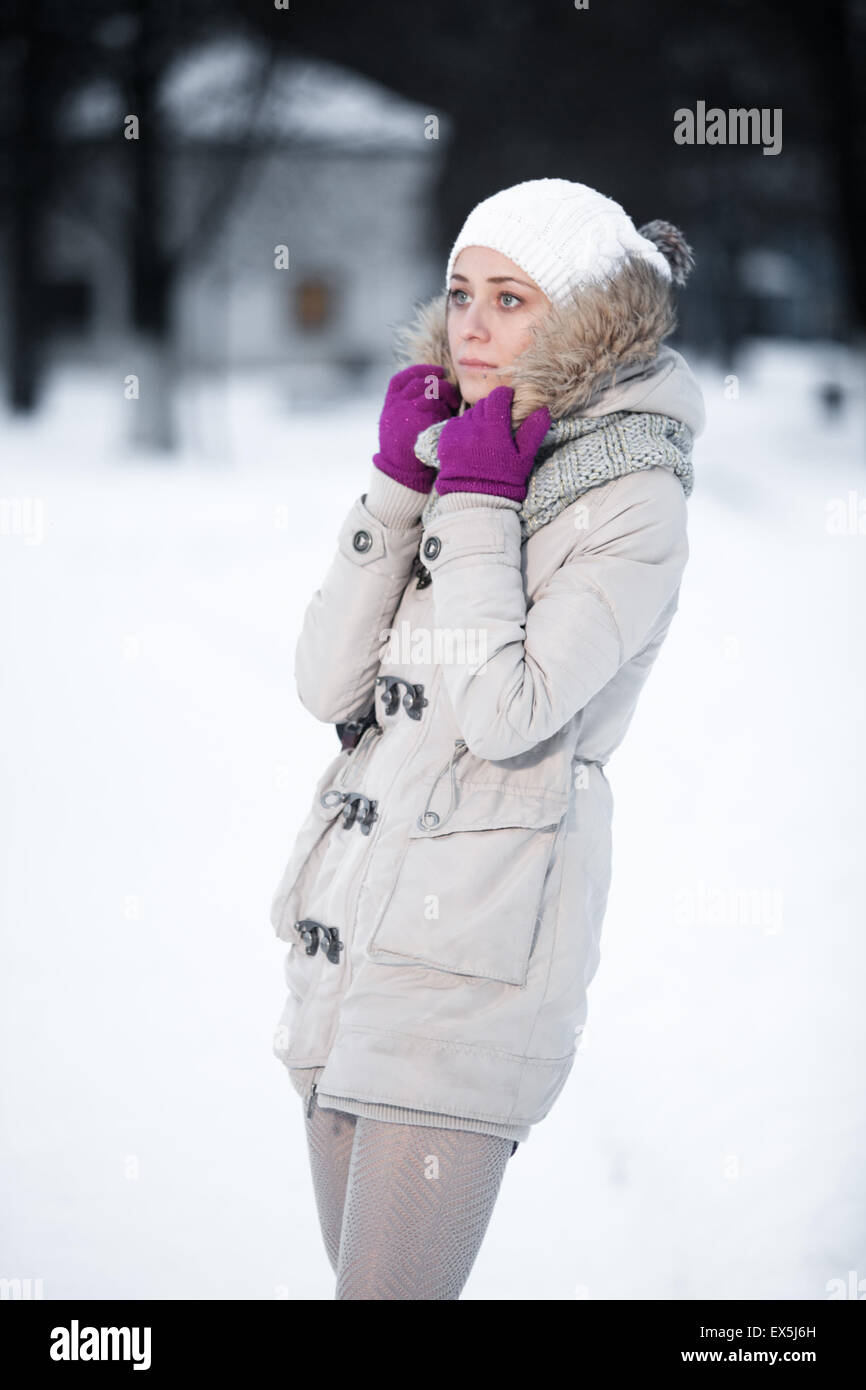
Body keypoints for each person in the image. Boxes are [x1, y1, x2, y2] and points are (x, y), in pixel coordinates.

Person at [269, 177, 706, 1299]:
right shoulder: (467, 443)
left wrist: (469, 499)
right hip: (354, 944)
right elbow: (327, 682)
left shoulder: (629, 491)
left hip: (474, 958)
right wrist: (397, 483)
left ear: (581, 315)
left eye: (511, 298)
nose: (470, 322)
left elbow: (505, 710)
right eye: (461, 291)